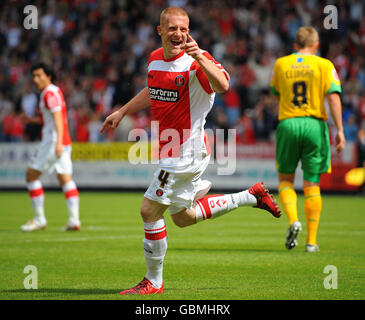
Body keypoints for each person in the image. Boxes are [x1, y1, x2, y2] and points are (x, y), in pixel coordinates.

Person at [101, 7, 281, 295]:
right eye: (172, 28)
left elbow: (223, 84)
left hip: (185, 151)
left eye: (183, 29)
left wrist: (199, 56)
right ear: (160, 31)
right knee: (182, 217)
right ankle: (251, 195)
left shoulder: (197, 61)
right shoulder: (155, 59)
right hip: (169, 149)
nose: (179, 34)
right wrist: (122, 111)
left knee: (149, 211)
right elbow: (152, 90)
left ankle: (153, 282)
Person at [270, 27, 346, 252]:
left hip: (288, 123)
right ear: (316, 44)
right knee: (312, 183)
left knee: (285, 179)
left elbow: (276, 92)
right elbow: (333, 98)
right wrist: (340, 130)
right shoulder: (324, 65)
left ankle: (293, 220)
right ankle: (311, 242)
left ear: (295, 44)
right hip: (314, 124)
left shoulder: (280, 64)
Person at [20, 63, 81, 232]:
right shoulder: (53, 92)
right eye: (34, 76)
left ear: (49, 76)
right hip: (62, 141)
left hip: (53, 142)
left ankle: (39, 219)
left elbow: (57, 118)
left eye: (39, 75)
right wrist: (31, 120)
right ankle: (74, 220)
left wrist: (58, 143)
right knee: (65, 179)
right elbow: (51, 118)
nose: (36, 79)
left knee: (31, 175)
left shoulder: (49, 92)